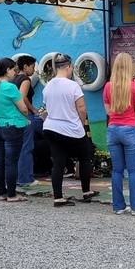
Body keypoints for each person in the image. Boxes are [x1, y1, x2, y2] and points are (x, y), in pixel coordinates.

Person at [42, 53, 98, 207]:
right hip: (71, 128)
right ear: (68, 67)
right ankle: (86, 191)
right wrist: (81, 124)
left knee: (58, 162)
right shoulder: (73, 86)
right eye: (71, 67)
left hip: (51, 128)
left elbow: (47, 109)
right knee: (84, 157)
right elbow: (81, 108)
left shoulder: (47, 86)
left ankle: (58, 197)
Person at [103, 52, 135, 215]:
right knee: (133, 170)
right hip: (129, 128)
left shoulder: (108, 86)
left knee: (116, 170)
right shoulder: (134, 86)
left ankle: (118, 206)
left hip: (113, 129)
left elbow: (108, 111)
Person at [0, 58, 29, 202]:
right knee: (11, 162)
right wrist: (25, 116)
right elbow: (23, 108)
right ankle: (12, 194)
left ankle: (2, 192)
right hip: (12, 127)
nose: (15, 73)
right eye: (13, 70)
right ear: (7, 70)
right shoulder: (10, 87)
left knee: (0, 161)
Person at [13, 55, 41, 187]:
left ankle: (18, 176)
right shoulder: (25, 79)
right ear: (25, 66)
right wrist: (33, 109)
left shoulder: (13, 79)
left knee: (17, 147)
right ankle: (25, 178)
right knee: (27, 147)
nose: (33, 70)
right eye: (32, 67)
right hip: (25, 115)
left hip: (14, 116)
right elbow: (22, 96)